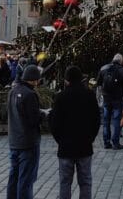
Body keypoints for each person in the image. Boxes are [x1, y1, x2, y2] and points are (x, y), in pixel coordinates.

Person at [50, 66, 100, 199]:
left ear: (67, 80)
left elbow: (54, 123)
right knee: (85, 182)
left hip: (66, 147)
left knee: (65, 182)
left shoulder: (60, 97)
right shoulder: (89, 95)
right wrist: (91, 138)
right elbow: (96, 120)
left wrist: (60, 140)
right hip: (85, 145)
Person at [9, 65, 43, 199]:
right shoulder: (30, 94)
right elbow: (33, 119)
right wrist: (44, 115)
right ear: (34, 80)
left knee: (14, 177)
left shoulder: (13, 91)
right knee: (26, 180)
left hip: (14, 140)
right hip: (28, 142)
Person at [97, 53, 123, 149]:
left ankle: (106, 142)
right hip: (117, 99)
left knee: (106, 121)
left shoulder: (103, 68)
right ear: (121, 61)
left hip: (106, 98)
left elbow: (98, 83)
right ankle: (116, 142)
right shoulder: (122, 70)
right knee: (116, 120)